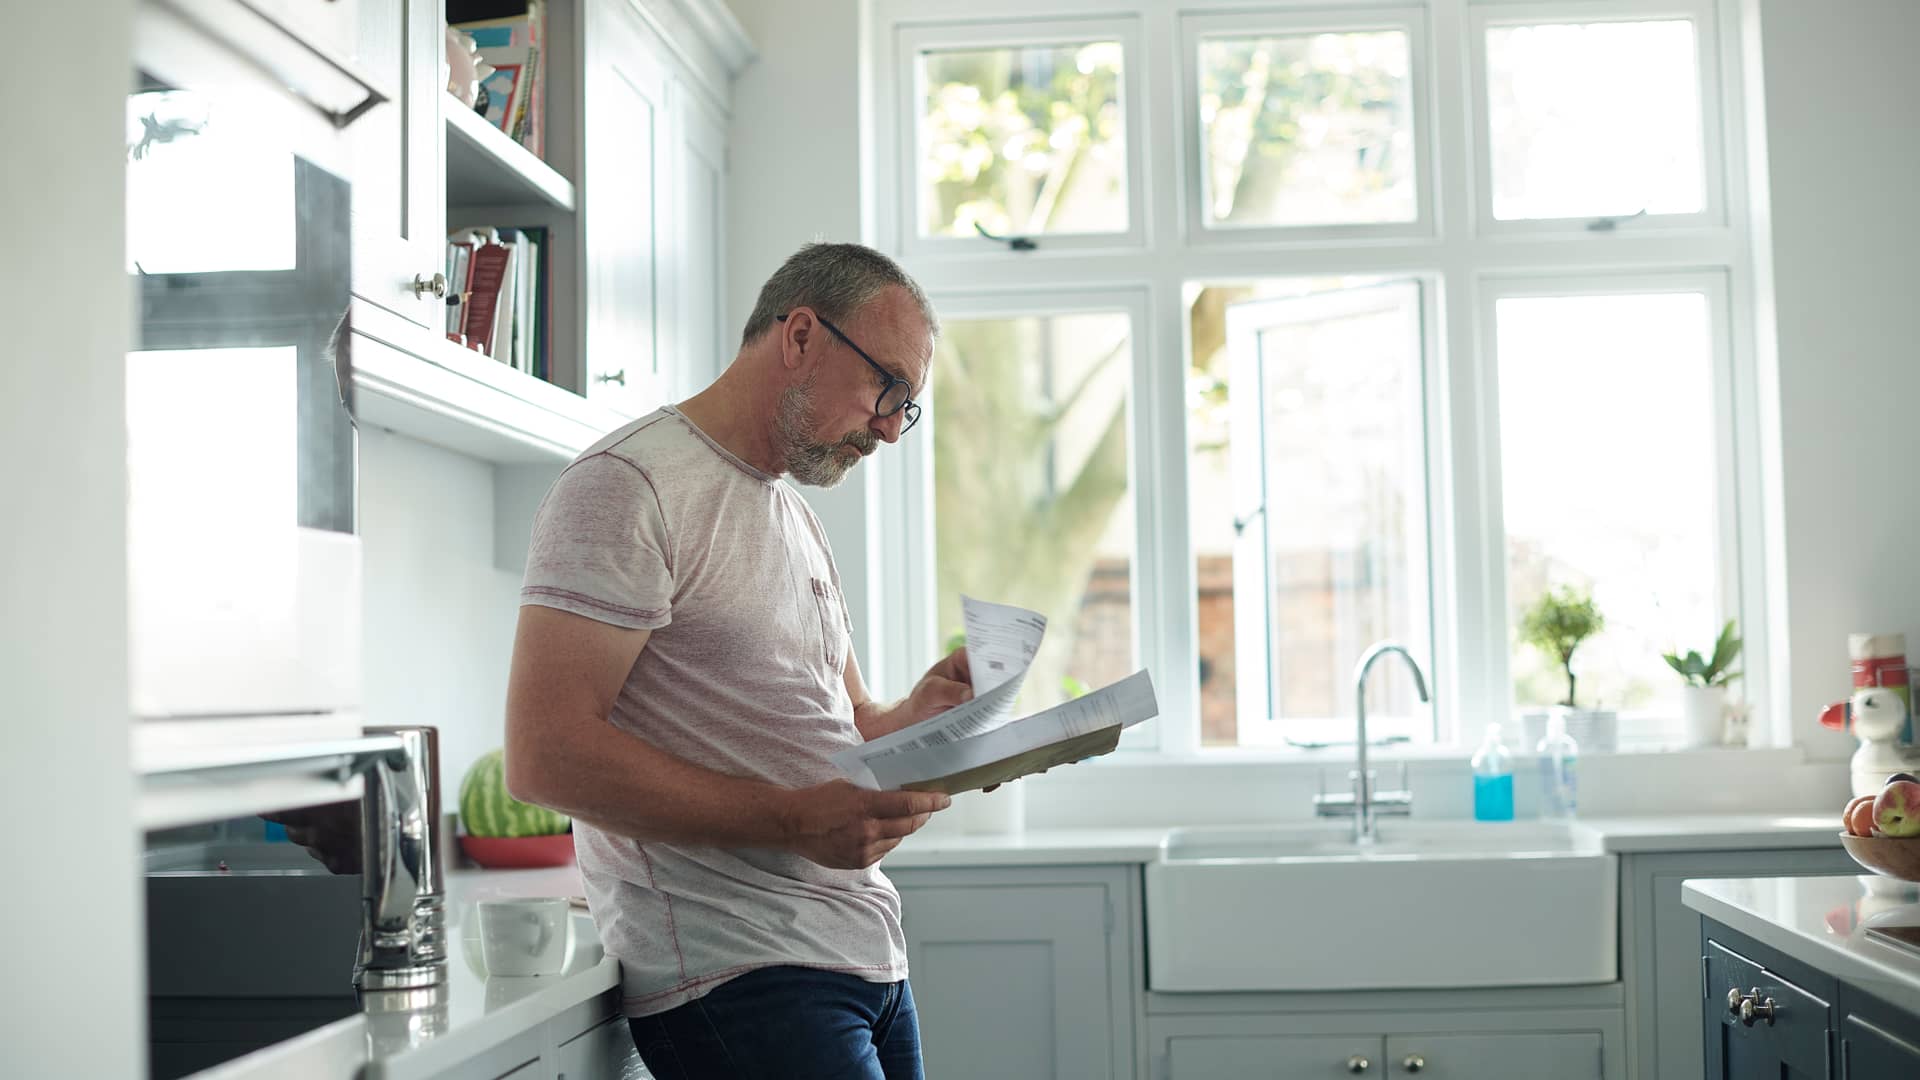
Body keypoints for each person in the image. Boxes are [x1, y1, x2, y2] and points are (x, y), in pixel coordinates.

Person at [503, 242, 970, 1080]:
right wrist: (793, 820)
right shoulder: (628, 486)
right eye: (887, 388)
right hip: (742, 974)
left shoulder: (791, 513)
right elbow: (544, 754)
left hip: (864, 954)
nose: (894, 427)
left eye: (910, 405)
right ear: (799, 337)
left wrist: (921, 717)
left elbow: (847, 722)